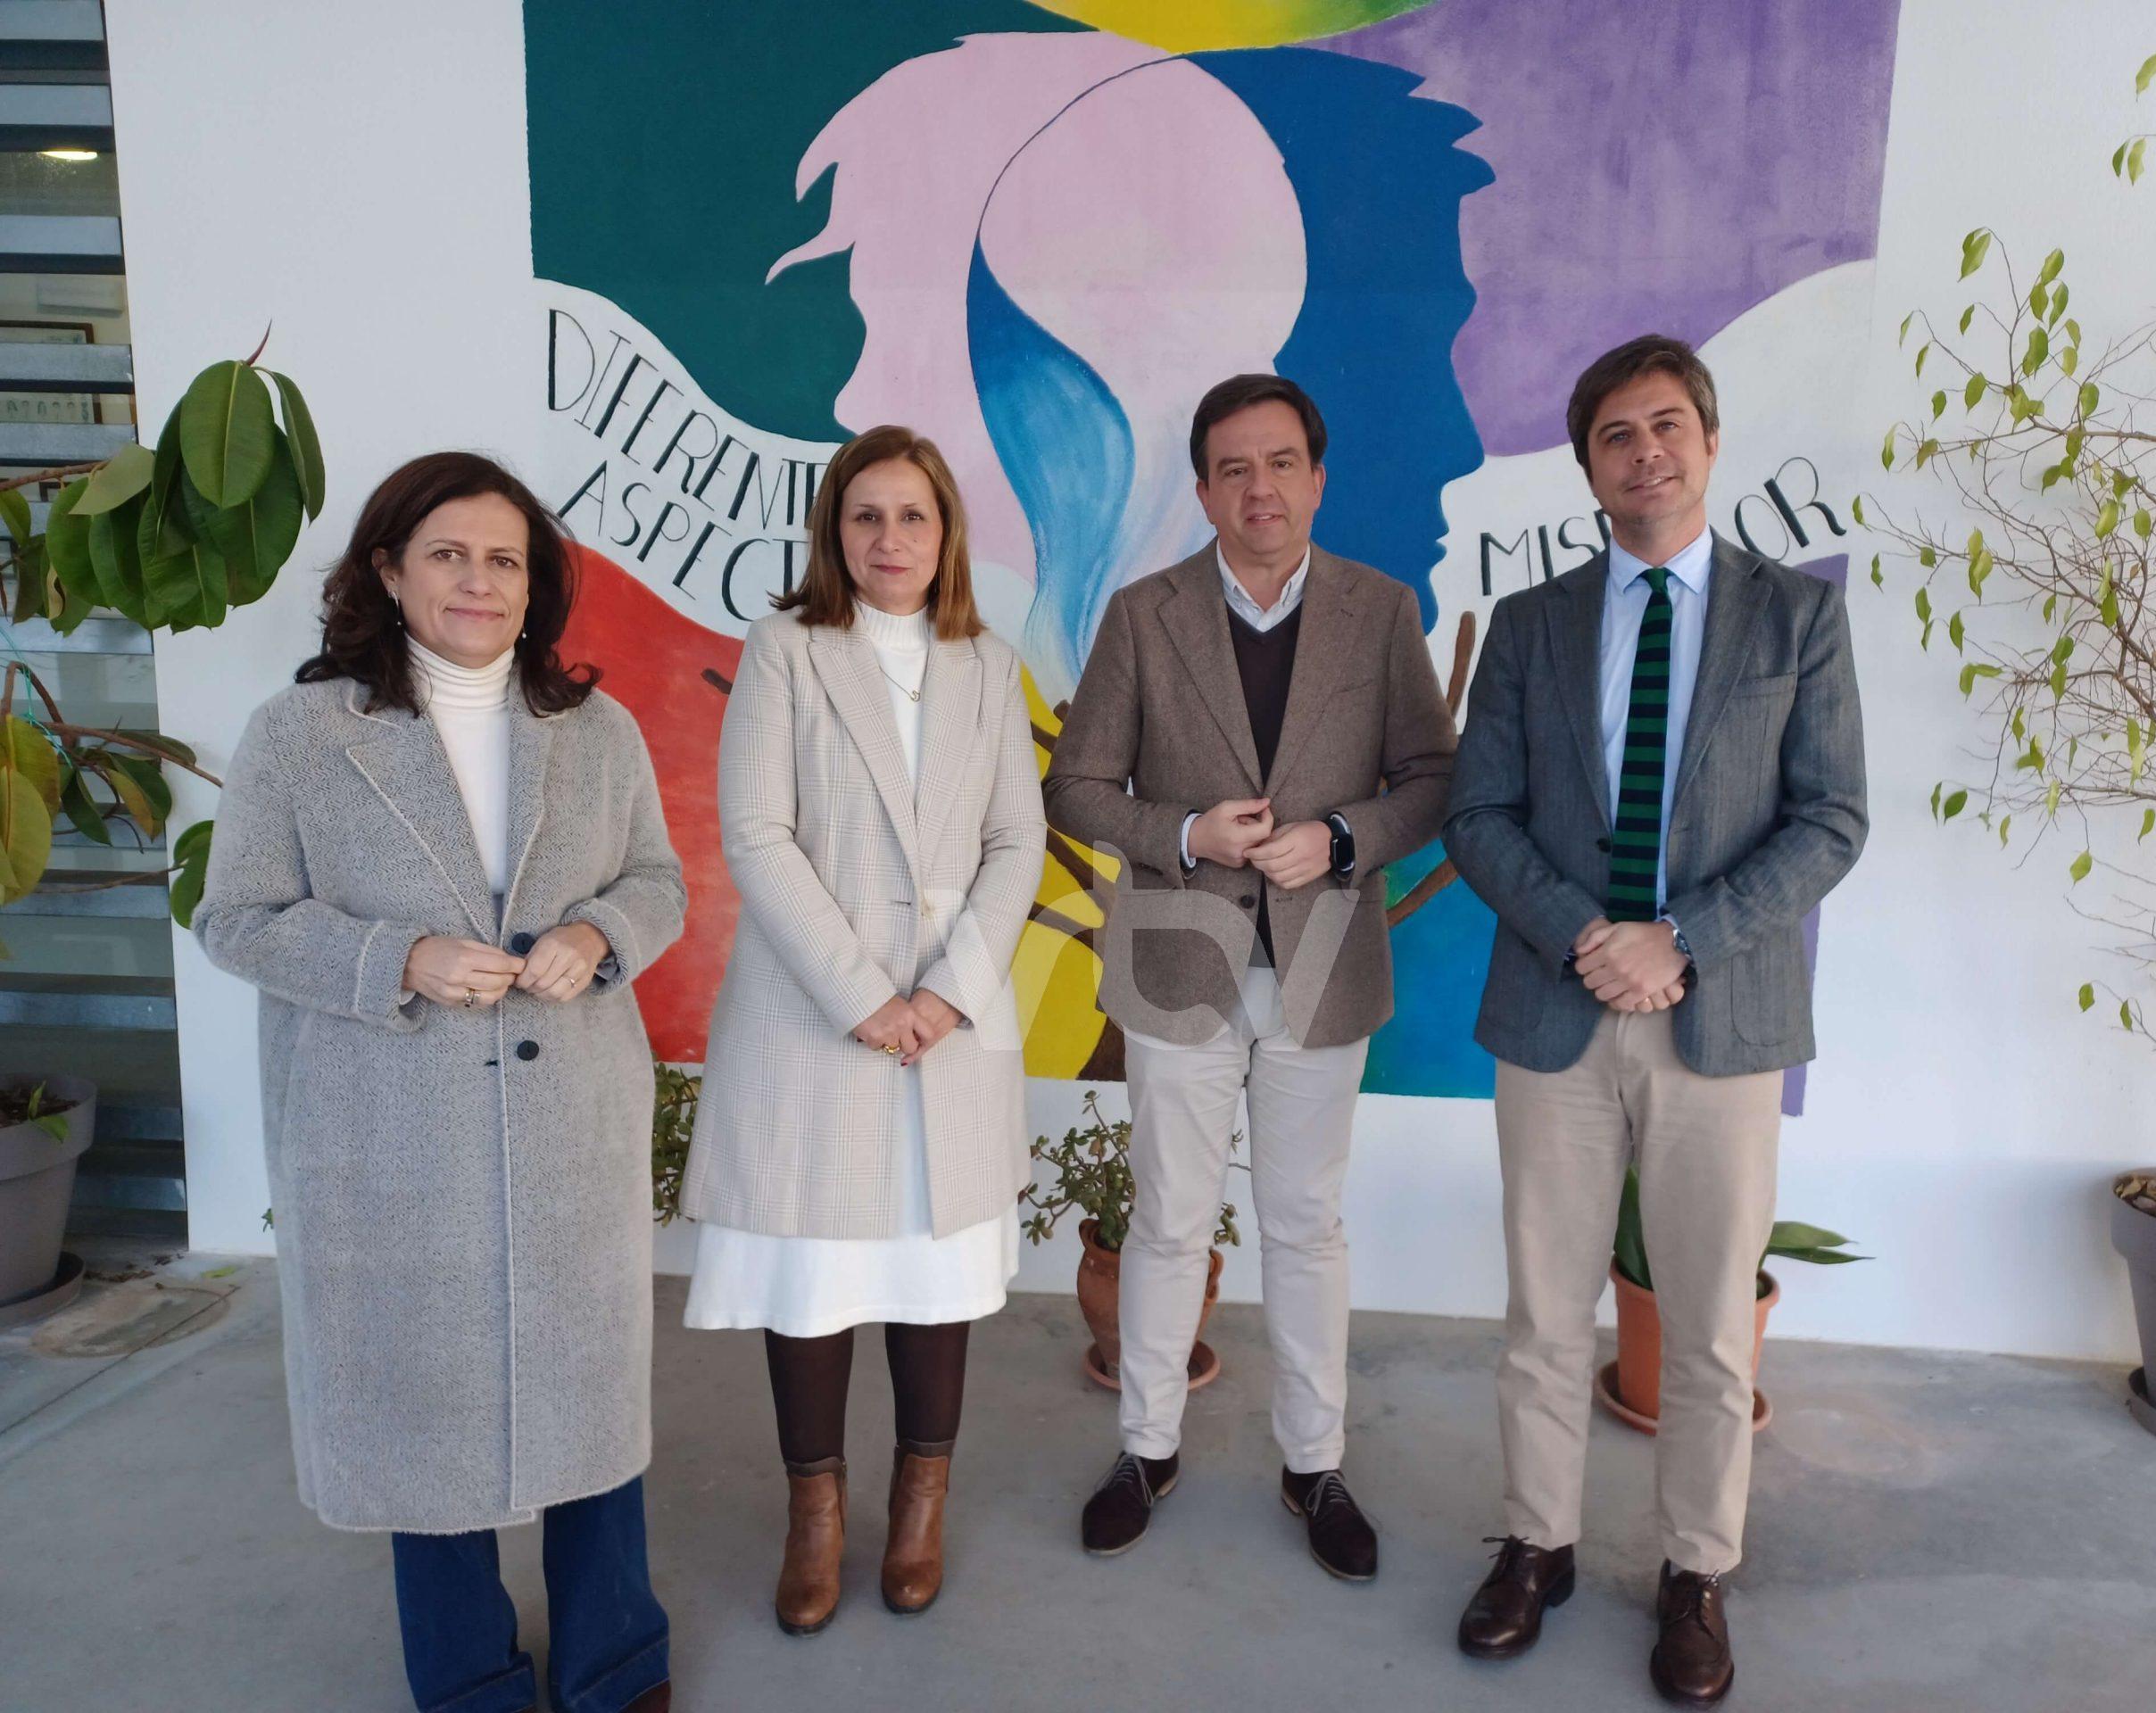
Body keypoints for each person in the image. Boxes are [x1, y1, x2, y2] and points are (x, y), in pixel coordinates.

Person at [193, 451, 687, 1713]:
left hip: (570, 1122)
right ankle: (470, 1679)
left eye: (505, 559)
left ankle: (614, 1661)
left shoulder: (597, 731)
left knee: (587, 1402)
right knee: (425, 1412)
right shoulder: (304, 735)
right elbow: (235, 916)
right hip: (390, 1131)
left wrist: (601, 933)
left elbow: (658, 883)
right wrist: (394, 958)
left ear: (536, 585)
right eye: (449, 554)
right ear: (388, 570)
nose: (480, 581)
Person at [1442, 335, 1869, 1707]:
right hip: (1557, 1008)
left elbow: (1832, 819)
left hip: (1721, 1018)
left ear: (1710, 440)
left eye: (1668, 424)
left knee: (1710, 1328)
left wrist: (1680, 938)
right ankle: (1537, 1544)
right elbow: (1477, 815)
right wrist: (1592, 935)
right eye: (1617, 435)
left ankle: (1696, 1571)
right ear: (1588, 468)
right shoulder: (1531, 624)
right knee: (1542, 1312)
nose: (1647, 453)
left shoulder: (1794, 620)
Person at [1042, 374, 1455, 1580]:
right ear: (1205, 488)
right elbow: (1076, 787)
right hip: (1181, 959)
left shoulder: (1380, 611)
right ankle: (1147, 1448)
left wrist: (1342, 839)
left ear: (1317, 479)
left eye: (1280, 463)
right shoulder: (1144, 614)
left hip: (1324, 961)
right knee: (1169, 1220)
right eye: (1234, 468)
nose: (1259, 487)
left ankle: (1314, 1463)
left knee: (1306, 1226)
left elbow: (1432, 779)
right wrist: (1185, 834)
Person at [676, 426, 1047, 1635]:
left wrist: (948, 994)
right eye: (867, 515)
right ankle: (817, 1517)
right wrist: (865, 998)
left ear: (947, 535)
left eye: (914, 515)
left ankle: (920, 1507)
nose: (892, 538)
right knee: (817, 1277)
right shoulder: (787, 649)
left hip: (953, 1018)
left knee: (935, 1273)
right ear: (834, 533)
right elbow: (755, 834)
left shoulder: (989, 664)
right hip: (814, 1014)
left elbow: (1017, 841)